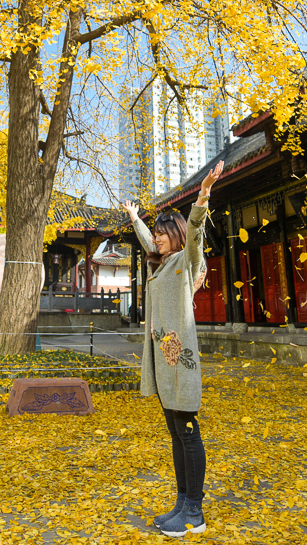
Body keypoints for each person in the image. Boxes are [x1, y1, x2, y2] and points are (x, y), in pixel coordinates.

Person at [123, 159, 223, 539]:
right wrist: (135, 219)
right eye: (158, 235)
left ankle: (195, 512)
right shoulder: (160, 265)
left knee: (187, 431)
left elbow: (195, 231)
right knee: (175, 433)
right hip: (162, 362)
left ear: (177, 237)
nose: (159, 239)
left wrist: (203, 195)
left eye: (165, 234)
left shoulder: (185, 261)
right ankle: (182, 504)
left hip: (180, 361)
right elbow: (149, 242)